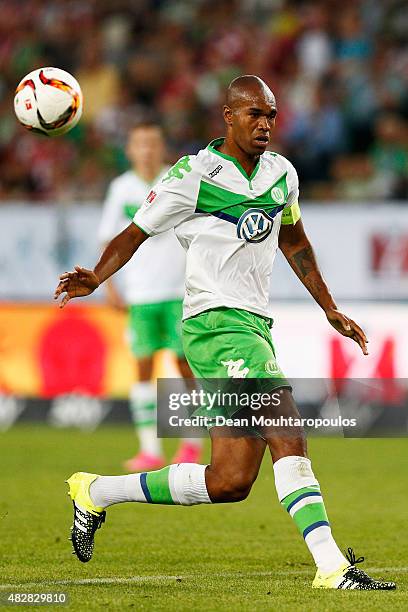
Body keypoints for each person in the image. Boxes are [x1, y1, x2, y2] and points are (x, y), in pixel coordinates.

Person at [55, 76, 395, 590]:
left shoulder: (283, 174)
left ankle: (96, 492)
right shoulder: (193, 175)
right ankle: (332, 568)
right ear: (228, 116)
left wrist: (329, 307)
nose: (264, 125)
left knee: (230, 480)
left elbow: (295, 242)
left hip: (253, 324)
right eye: (254, 114)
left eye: (271, 116)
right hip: (215, 323)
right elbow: (134, 233)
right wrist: (97, 277)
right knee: (289, 432)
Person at [98, 121, 202, 471]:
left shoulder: (178, 178)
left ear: (162, 148)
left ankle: (191, 444)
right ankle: (149, 450)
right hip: (140, 294)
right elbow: (107, 238)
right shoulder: (121, 188)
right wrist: (109, 286)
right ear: (129, 150)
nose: (146, 150)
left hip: (178, 292)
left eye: (152, 143)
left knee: (185, 365)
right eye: (139, 144)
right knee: (142, 367)